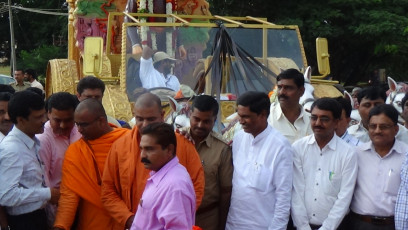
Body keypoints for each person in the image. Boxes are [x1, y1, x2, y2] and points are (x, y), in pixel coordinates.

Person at [101, 93, 204, 230]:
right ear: (133, 116)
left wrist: (174, 212)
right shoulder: (120, 146)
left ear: (162, 115)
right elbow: (108, 191)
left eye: (151, 119)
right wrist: (129, 219)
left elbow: (196, 186)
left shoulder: (182, 144)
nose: (145, 125)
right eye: (140, 119)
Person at [53, 99, 129, 230]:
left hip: (129, 219)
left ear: (101, 121)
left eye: (83, 125)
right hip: (93, 222)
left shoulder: (129, 141)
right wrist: (61, 226)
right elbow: (69, 195)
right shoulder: (76, 151)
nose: (79, 130)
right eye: (77, 124)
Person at [226, 91, 293, 230]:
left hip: (263, 225)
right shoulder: (239, 138)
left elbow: (283, 197)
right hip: (234, 223)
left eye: (246, 117)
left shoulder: (280, 146)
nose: (241, 121)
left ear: (263, 115)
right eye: (240, 116)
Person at [291, 98, 358, 230]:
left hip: (336, 226)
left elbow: (345, 196)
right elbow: (296, 192)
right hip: (300, 226)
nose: (317, 123)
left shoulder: (348, 153)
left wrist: (326, 228)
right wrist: (303, 227)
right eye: (314, 118)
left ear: (336, 122)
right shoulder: (298, 148)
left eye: (325, 119)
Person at [0, 90, 59, 230]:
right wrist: (46, 193)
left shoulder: (30, 142)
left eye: (44, 114)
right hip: (23, 221)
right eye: (38, 117)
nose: (44, 120)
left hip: (37, 217)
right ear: (21, 120)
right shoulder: (12, 149)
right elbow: (6, 195)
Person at [349, 104, 407, 230]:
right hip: (359, 223)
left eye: (384, 127)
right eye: (373, 126)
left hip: (394, 225)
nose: (377, 131)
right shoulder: (356, 154)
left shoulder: (406, 156)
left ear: (396, 129)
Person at [130, 122, 196, 230]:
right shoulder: (161, 175)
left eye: (149, 149)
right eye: (141, 149)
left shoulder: (175, 186)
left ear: (169, 150)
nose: (142, 155)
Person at [36, 92, 81, 227]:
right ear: (48, 114)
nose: (62, 125)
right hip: (57, 206)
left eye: (68, 120)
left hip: (81, 201)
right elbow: (45, 182)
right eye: (57, 120)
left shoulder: (79, 130)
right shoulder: (43, 138)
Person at [189, 95, 233, 230]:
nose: (200, 125)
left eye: (206, 121)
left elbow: (226, 192)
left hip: (207, 218)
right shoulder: (175, 140)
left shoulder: (222, 149)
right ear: (190, 115)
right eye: (196, 119)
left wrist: (221, 225)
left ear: (215, 121)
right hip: (175, 217)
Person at [267, 68, 312, 144]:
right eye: (280, 87)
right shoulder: (267, 118)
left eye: (288, 88)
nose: (281, 92)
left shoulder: (312, 120)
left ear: (301, 91)